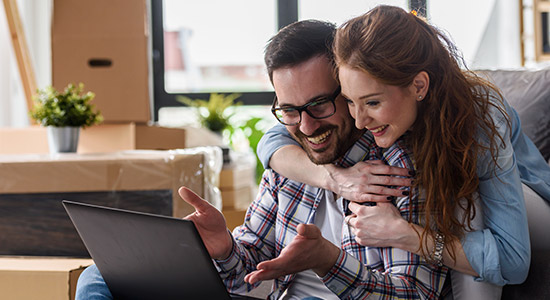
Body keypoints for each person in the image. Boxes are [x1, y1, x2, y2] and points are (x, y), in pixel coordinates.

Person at [75, 19, 448, 299]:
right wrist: (223, 248)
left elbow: (414, 295)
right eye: (289, 110)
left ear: (350, 90)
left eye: (318, 104)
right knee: (99, 277)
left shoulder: (397, 169)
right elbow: (246, 271)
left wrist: (328, 260)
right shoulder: (290, 163)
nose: (305, 125)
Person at [257, 4, 550, 299]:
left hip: (535, 206)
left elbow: (513, 262)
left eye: (372, 103)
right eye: (348, 101)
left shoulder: (478, 120)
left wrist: (406, 235)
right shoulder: (367, 105)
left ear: (419, 86)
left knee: (463, 194)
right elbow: (272, 141)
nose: (358, 121)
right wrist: (334, 177)